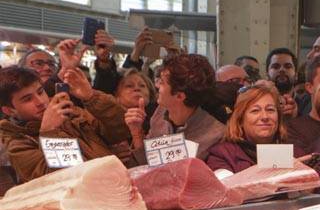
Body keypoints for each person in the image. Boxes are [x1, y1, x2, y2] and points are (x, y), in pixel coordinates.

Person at [0, 55, 130, 182]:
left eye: (40, 92)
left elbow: (121, 131)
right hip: (82, 200)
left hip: (115, 188)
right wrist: (50, 132)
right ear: (9, 110)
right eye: (27, 99)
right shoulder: (17, 145)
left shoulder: (72, 112)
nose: (40, 101)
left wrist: (92, 97)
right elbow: (64, 179)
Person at [125, 54, 226, 162]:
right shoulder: (160, 112)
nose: (157, 85)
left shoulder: (216, 136)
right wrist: (136, 132)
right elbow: (147, 163)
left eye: (162, 83)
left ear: (179, 96)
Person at [205, 84, 285, 174]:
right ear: (240, 119)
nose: (265, 117)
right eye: (255, 111)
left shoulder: (294, 152)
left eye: (270, 110)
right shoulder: (223, 155)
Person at [115, 70, 157, 134]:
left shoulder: (163, 117)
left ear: (150, 93)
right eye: (129, 86)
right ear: (117, 96)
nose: (137, 88)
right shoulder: (109, 123)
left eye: (142, 85)